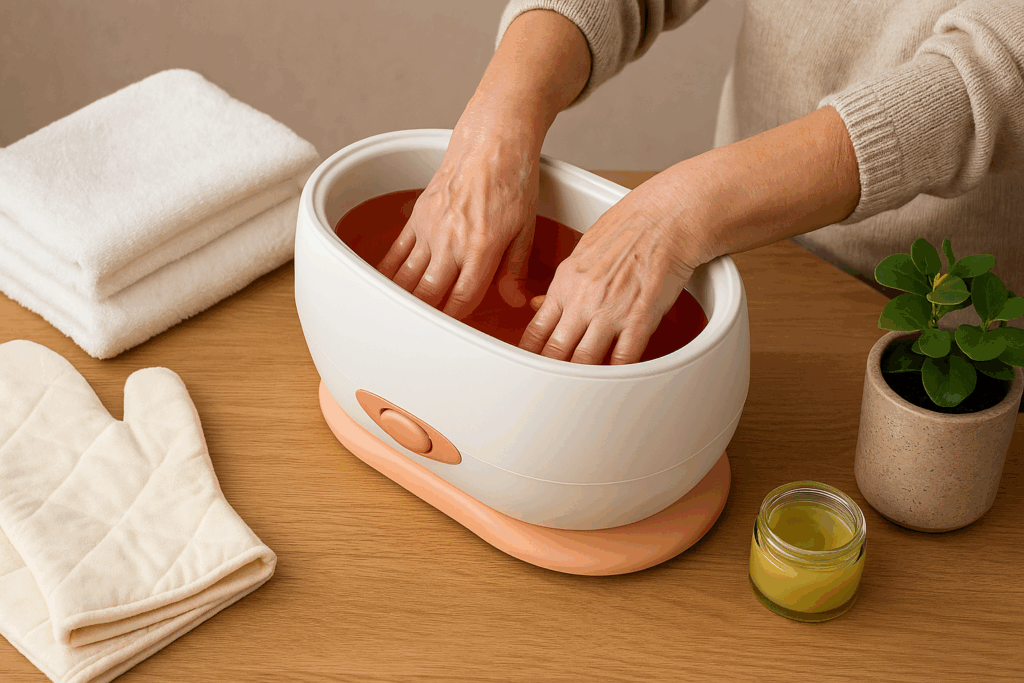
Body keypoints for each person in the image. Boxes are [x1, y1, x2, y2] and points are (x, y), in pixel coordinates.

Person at [376, 1, 1024, 366]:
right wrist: (500, 117)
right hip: (747, 253)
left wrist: (676, 212)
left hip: (959, 329)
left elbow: (992, 72)